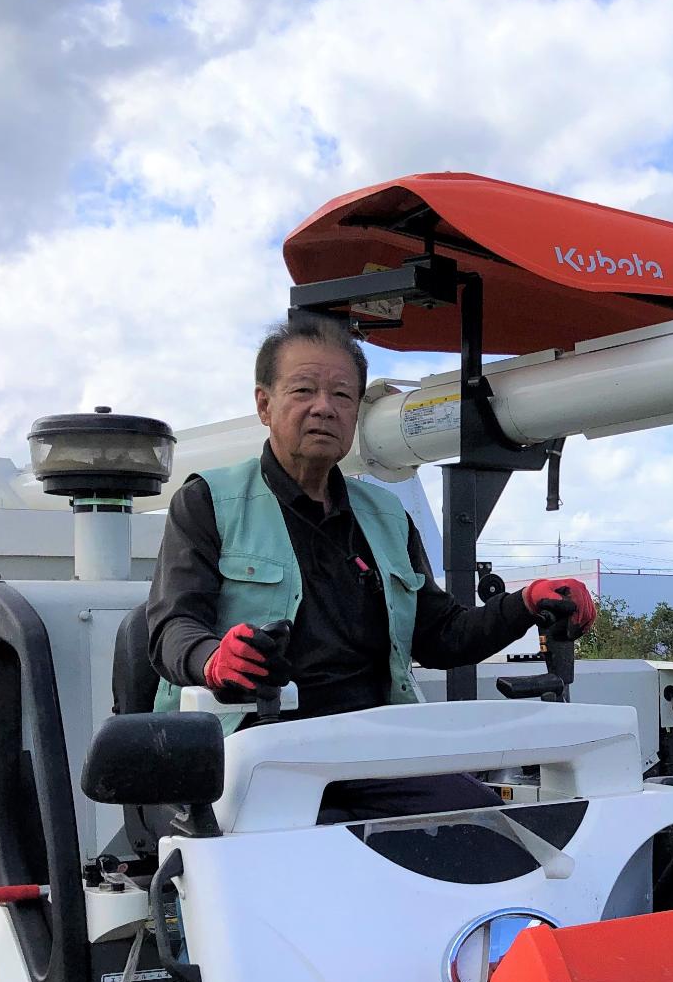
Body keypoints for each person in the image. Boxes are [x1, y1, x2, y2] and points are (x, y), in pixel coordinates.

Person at [147, 316, 595, 815]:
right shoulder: (208, 501)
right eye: (303, 389)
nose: (324, 407)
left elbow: (441, 635)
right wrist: (213, 659)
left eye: (342, 396)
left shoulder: (386, 516)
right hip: (250, 749)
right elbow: (171, 627)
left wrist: (526, 604)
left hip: (372, 746)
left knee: (483, 827)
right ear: (264, 405)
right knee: (295, 868)